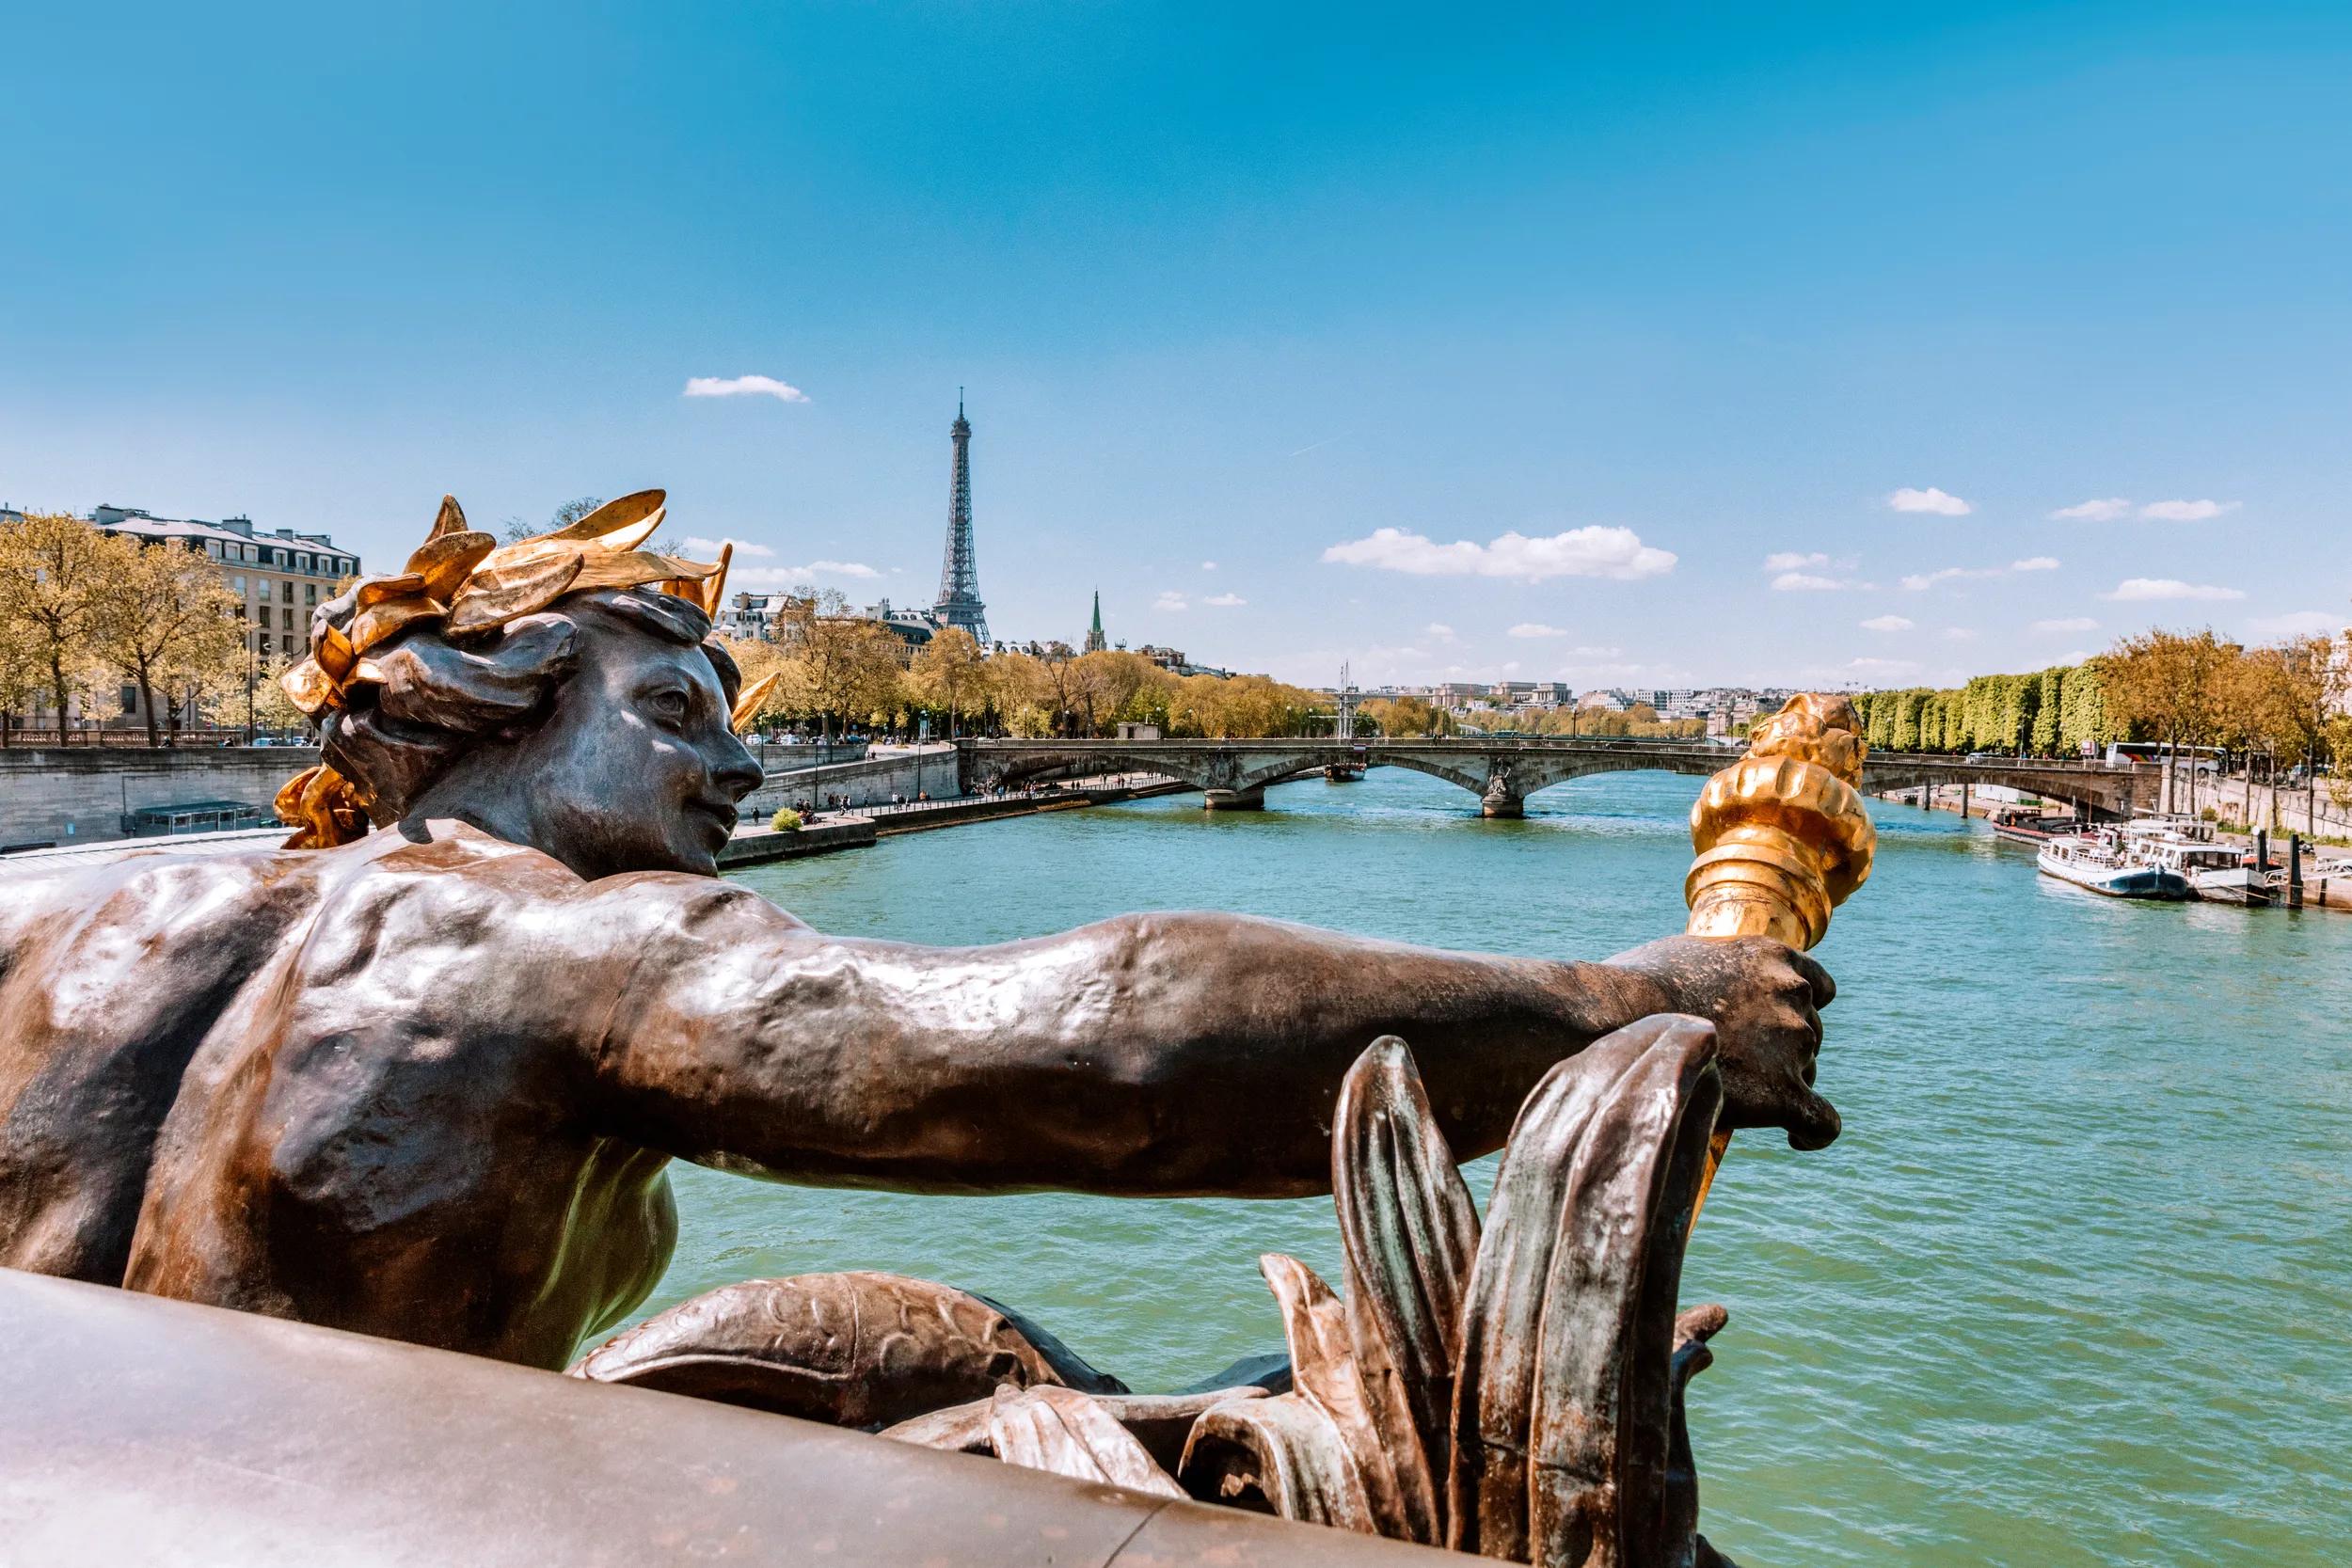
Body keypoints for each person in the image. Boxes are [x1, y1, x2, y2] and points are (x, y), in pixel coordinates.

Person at [0, 491, 1836, 1372]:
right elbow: (1109, 1046)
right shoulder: (554, 945)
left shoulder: (55, 911)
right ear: (497, 695)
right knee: (946, 1358)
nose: (737, 761)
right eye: (675, 711)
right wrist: (1614, 1003)